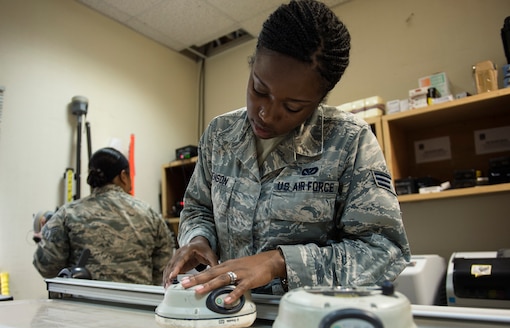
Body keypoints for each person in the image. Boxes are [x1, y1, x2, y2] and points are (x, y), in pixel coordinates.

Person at [163, 0, 411, 304]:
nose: (266, 114)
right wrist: (197, 239)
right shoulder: (220, 134)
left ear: (320, 99)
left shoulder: (349, 141)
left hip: (312, 320)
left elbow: (385, 253)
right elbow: (198, 208)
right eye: (258, 89)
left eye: (292, 107)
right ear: (252, 64)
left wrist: (279, 262)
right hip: (227, 314)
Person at [33, 147, 174, 285]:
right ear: (123, 176)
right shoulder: (149, 214)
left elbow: (46, 268)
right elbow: (165, 269)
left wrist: (45, 235)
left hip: (82, 306)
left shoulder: (67, 213)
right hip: (136, 305)